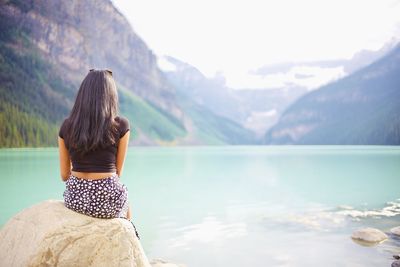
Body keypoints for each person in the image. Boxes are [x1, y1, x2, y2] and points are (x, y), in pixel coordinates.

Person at [58, 69, 139, 238]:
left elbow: (65, 175)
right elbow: (117, 173)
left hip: (75, 199)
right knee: (126, 203)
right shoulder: (121, 125)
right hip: (107, 200)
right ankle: (131, 244)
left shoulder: (66, 126)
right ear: (111, 95)